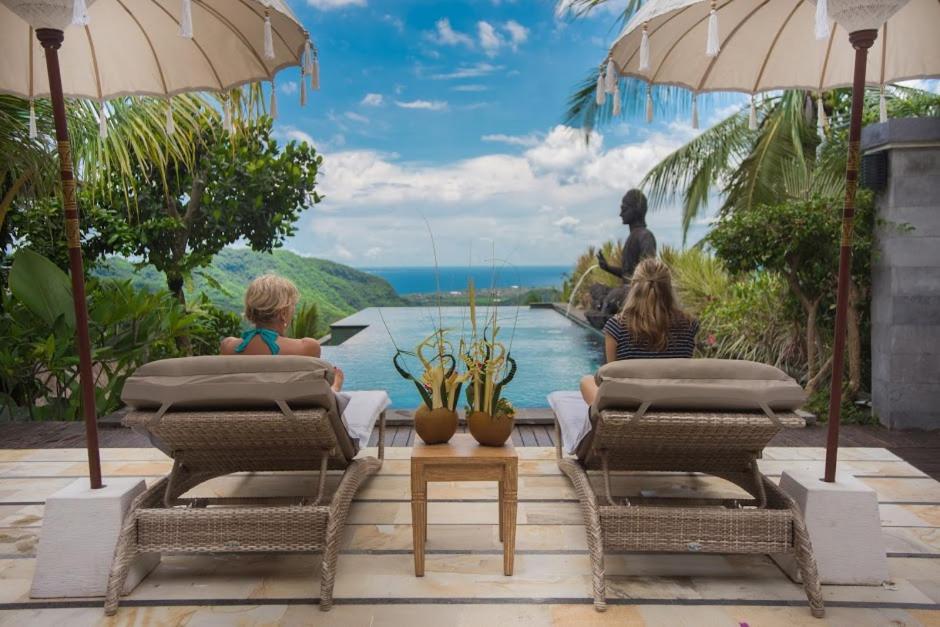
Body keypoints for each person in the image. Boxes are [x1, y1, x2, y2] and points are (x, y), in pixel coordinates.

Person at [580, 258, 698, 405]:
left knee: (586, 381)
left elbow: (611, 379)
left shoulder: (616, 326)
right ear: (668, 288)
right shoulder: (689, 325)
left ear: (633, 287)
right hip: (672, 403)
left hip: (628, 407)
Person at [221, 274, 344, 391]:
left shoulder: (228, 346)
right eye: (292, 306)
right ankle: (335, 388)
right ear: (283, 313)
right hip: (288, 410)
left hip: (244, 407)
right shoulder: (307, 347)